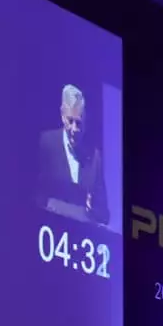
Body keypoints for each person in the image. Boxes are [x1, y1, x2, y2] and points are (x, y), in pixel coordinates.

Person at [38, 84, 109, 225]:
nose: (75, 129)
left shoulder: (95, 158)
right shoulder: (46, 143)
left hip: (83, 236)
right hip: (48, 229)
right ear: (62, 115)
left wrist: (92, 209)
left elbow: (104, 214)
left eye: (79, 123)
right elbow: (35, 195)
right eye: (70, 121)